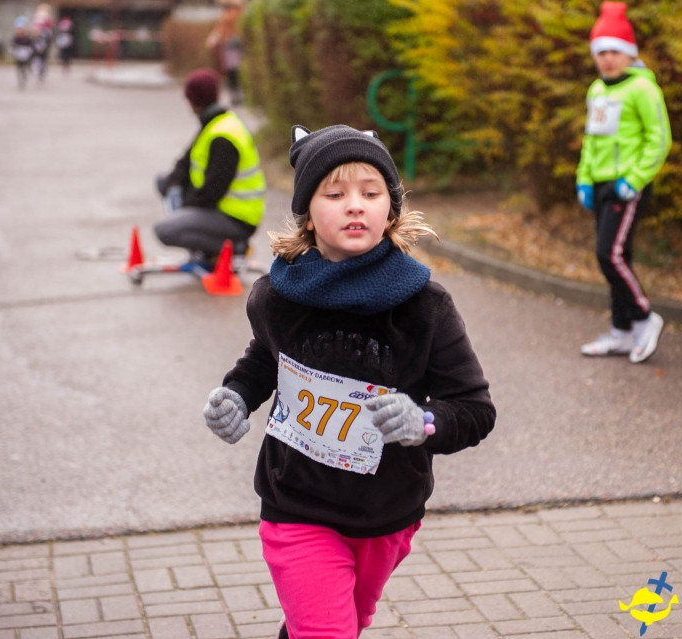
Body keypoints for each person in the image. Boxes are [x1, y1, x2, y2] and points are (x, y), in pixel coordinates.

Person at [202, 124, 496, 638]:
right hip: (295, 503)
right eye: (334, 194)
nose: (354, 205)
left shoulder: (425, 306)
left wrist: (423, 421)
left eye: (370, 193)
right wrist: (237, 395)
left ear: (391, 209)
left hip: (388, 511)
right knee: (328, 632)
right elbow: (264, 358)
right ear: (309, 215)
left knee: (343, 622)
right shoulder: (278, 295)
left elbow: (474, 408)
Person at [575, 1, 671, 364]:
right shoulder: (597, 90)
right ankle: (621, 331)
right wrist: (584, 180)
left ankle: (645, 317)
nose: (608, 58)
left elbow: (659, 139)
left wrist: (635, 179)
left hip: (626, 186)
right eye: (601, 52)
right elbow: (591, 140)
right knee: (620, 255)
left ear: (630, 53)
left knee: (608, 254)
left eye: (615, 50)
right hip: (598, 185)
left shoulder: (644, 89)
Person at [154, 68, 266, 268]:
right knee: (163, 182)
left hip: (236, 219)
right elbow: (183, 164)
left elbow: (211, 193)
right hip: (217, 208)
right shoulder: (213, 123)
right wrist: (173, 186)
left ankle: (235, 247)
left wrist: (183, 207)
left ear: (194, 101)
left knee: (165, 230)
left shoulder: (223, 137)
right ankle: (207, 243)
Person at [11, 16, 33, 89]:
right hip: (19, 54)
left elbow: (30, 45)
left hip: (25, 54)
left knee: (24, 66)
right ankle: (20, 79)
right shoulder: (16, 37)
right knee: (19, 67)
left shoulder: (27, 37)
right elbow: (13, 44)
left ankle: (25, 76)